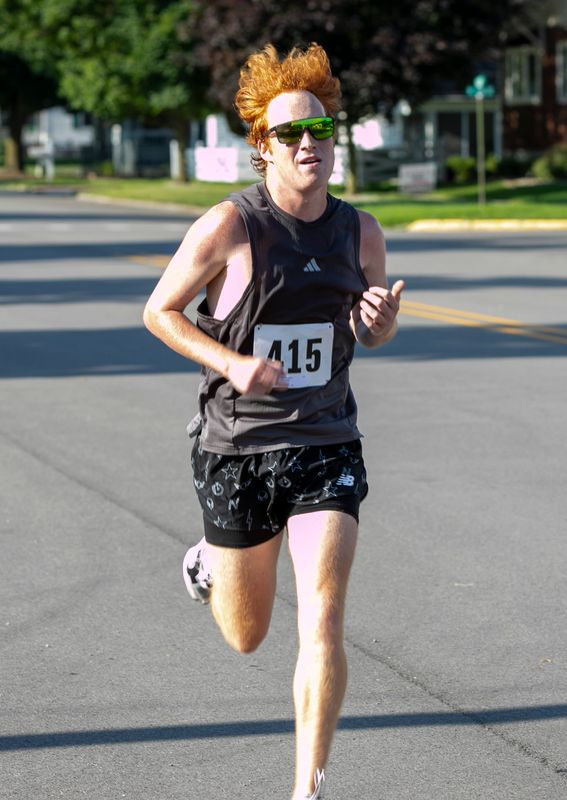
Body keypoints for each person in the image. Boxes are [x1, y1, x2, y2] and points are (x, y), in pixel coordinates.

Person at [143, 42, 404, 800]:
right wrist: (231, 364)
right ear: (262, 148)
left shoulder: (361, 234)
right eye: (289, 134)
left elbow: (367, 332)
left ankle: (307, 789)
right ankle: (208, 562)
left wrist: (379, 319)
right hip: (237, 448)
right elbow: (158, 311)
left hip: (326, 442)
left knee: (321, 618)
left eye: (319, 132)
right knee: (245, 634)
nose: (307, 146)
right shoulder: (229, 227)